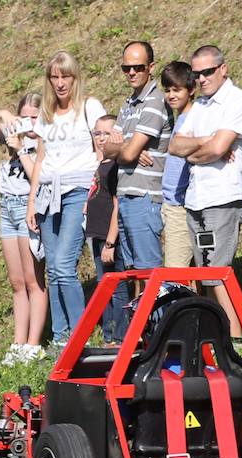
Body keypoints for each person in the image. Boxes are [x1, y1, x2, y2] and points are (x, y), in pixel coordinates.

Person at [169, 45, 242, 341]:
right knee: (205, 271)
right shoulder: (200, 107)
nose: (202, 79)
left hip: (223, 196)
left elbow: (220, 149)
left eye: (207, 72)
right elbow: (175, 147)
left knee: (217, 270)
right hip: (196, 198)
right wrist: (206, 142)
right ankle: (215, 333)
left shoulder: (237, 100)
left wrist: (199, 149)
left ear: (223, 69)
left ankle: (235, 337)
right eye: (197, 74)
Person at [25, 51, 107, 345]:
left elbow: (103, 148)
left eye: (66, 76)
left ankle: (79, 337)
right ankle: (60, 338)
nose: (60, 83)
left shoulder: (89, 107)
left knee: (63, 264)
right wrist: (32, 201)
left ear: (75, 78)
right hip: (48, 193)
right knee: (53, 270)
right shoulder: (46, 114)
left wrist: (95, 193)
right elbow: (40, 159)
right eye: (55, 77)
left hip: (77, 191)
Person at [0, 93, 48, 364]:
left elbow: (35, 178)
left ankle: (33, 343)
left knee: (33, 280)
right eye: (23, 115)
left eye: (33, 116)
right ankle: (17, 343)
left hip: (27, 208)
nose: (28, 121)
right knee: (16, 282)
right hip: (7, 208)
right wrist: (3, 114)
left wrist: (20, 147)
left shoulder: (40, 141)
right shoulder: (10, 134)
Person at [103, 41, 173, 272]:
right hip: (126, 194)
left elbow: (125, 151)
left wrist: (125, 149)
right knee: (135, 272)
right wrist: (126, 149)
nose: (132, 72)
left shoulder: (154, 102)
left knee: (149, 271)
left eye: (138, 67)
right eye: (126, 68)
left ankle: (162, 311)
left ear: (151, 67)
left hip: (144, 195)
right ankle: (142, 310)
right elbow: (106, 149)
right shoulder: (128, 104)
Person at [85, 114, 129, 345]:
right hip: (97, 234)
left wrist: (111, 242)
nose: (101, 138)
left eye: (107, 133)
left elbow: (116, 204)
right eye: (97, 133)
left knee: (116, 287)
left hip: (108, 237)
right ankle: (109, 335)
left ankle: (120, 336)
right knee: (104, 287)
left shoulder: (113, 165)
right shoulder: (101, 164)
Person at [159, 61, 196, 268]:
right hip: (170, 202)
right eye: (167, 90)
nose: (171, 95)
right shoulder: (180, 118)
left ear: (191, 90)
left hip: (181, 204)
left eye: (177, 89)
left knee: (175, 272)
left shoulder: (193, 118)